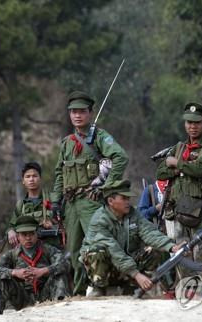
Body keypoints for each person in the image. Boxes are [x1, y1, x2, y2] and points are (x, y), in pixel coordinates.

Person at [51, 90, 129, 294]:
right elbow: (60, 172)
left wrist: (106, 187)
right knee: (74, 250)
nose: (77, 115)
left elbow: (120, 157)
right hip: (71, 204)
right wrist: (55, 201)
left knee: (99, 244)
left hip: (91, 200)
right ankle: (78, 292)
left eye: (82, 111)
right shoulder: (67, 143)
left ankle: (106, 287)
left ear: (90, 113)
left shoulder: (99, 137)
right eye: (73, 112)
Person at [155, 102, 202, 289]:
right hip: (178, 208)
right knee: (181, 252)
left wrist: (176, 164)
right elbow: (160, 172)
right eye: (189, 123)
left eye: (197, 122)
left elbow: (201, 169)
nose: (192, 126)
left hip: (201, 207)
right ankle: (188, 290)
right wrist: (179, 167)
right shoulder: (179, 147)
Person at [80, 180, 181, 296]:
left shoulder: (133, 214)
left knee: (153, 250)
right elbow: (114, 250)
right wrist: (136, 274)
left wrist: (172, 247)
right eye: (124, 198)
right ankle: (99, 288)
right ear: (110, 201)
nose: (128, 202)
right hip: (112, 267)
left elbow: (149, 233)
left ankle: (135, 286)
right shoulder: (99, 220)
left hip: (125, 266)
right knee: (97, 251)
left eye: (128, 198)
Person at [0, 216, 70, 314]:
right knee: (1, 279)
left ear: (37, 234)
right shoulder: (12, 254)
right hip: (22, 298)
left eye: (32, 234)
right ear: (18, 236)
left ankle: (61, 309)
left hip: (46, 296)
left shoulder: (48, 250)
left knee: (59, 274)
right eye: (24, 234)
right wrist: (15, 272)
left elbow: (65, 264)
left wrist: (43, 271)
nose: (28, 238)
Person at [7, 162, 62, 248]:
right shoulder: (21, 205)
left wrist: (53, 225)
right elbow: (12, 225)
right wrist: (10, 231)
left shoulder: (53, 199)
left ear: (40, 178)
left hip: (51, 248)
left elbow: (66, 223)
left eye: (34, 176)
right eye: (28, 177)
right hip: (28, 250)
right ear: (23, 181)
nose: (31, 179)